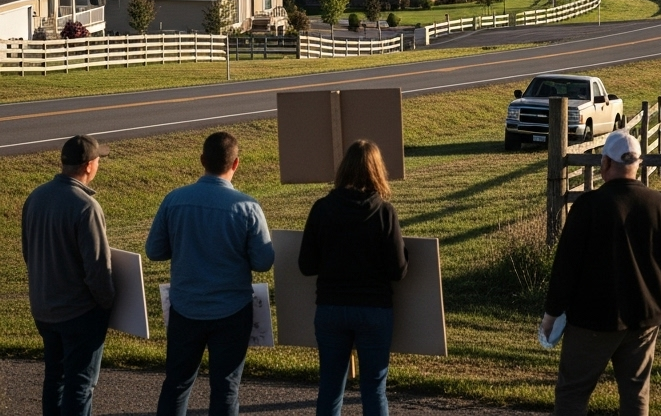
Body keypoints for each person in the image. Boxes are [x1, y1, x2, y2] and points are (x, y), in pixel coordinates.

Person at [541, 129, 661, 416]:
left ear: (606, 163)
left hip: (593, 320)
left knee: (572, 393)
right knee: (636, 395)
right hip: (645, 318)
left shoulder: (588, 206)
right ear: (638, 164)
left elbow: (566, 267)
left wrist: (552, 314)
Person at [146, 131, 274, 416]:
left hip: (185, 307)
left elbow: (154, 251)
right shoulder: (247, 207)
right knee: (226, 388)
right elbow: (264, 261)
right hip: (232, 310)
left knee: (177, 384)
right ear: (236, 163)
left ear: (202, 160)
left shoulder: (174, 200)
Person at [298, 139, 408, 416]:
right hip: (374, 309)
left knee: (330, 386)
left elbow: (306, 265)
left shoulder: (322, 208)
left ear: (344, 168)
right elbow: (398, 271)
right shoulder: (384, 212)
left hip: (331, 308)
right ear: (378, 171)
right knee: (374, 388)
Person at [22, 134, 115, 416]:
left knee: (55, 379)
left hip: (44, 309)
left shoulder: (36, 196)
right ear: (88, 166)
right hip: (78, 313)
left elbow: (28, 251)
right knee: (80, 386)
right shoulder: (86, 207)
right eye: (98, 160)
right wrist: (107, 304)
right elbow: (97, 268)